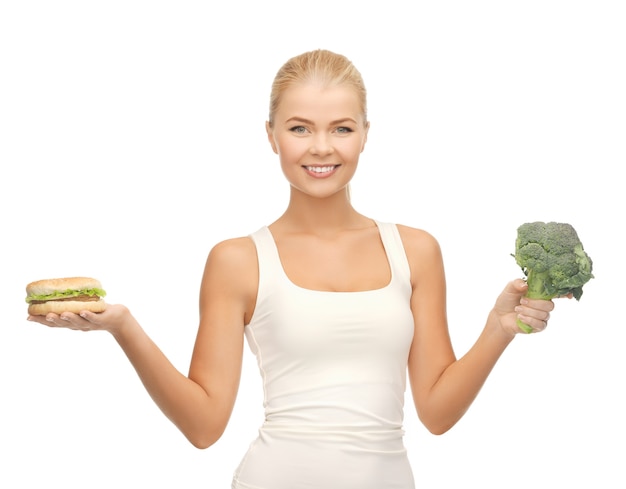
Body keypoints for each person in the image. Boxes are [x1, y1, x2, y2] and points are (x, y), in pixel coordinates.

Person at [27, 49, 561, 489]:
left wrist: (497, 331)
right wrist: (123, 326)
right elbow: (204, 426)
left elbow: (437, 414)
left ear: (366, 134)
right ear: (271, 135)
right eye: (300, 128)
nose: (322, 147)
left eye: (342, 128)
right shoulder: (236, 260)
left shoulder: (416, 250)